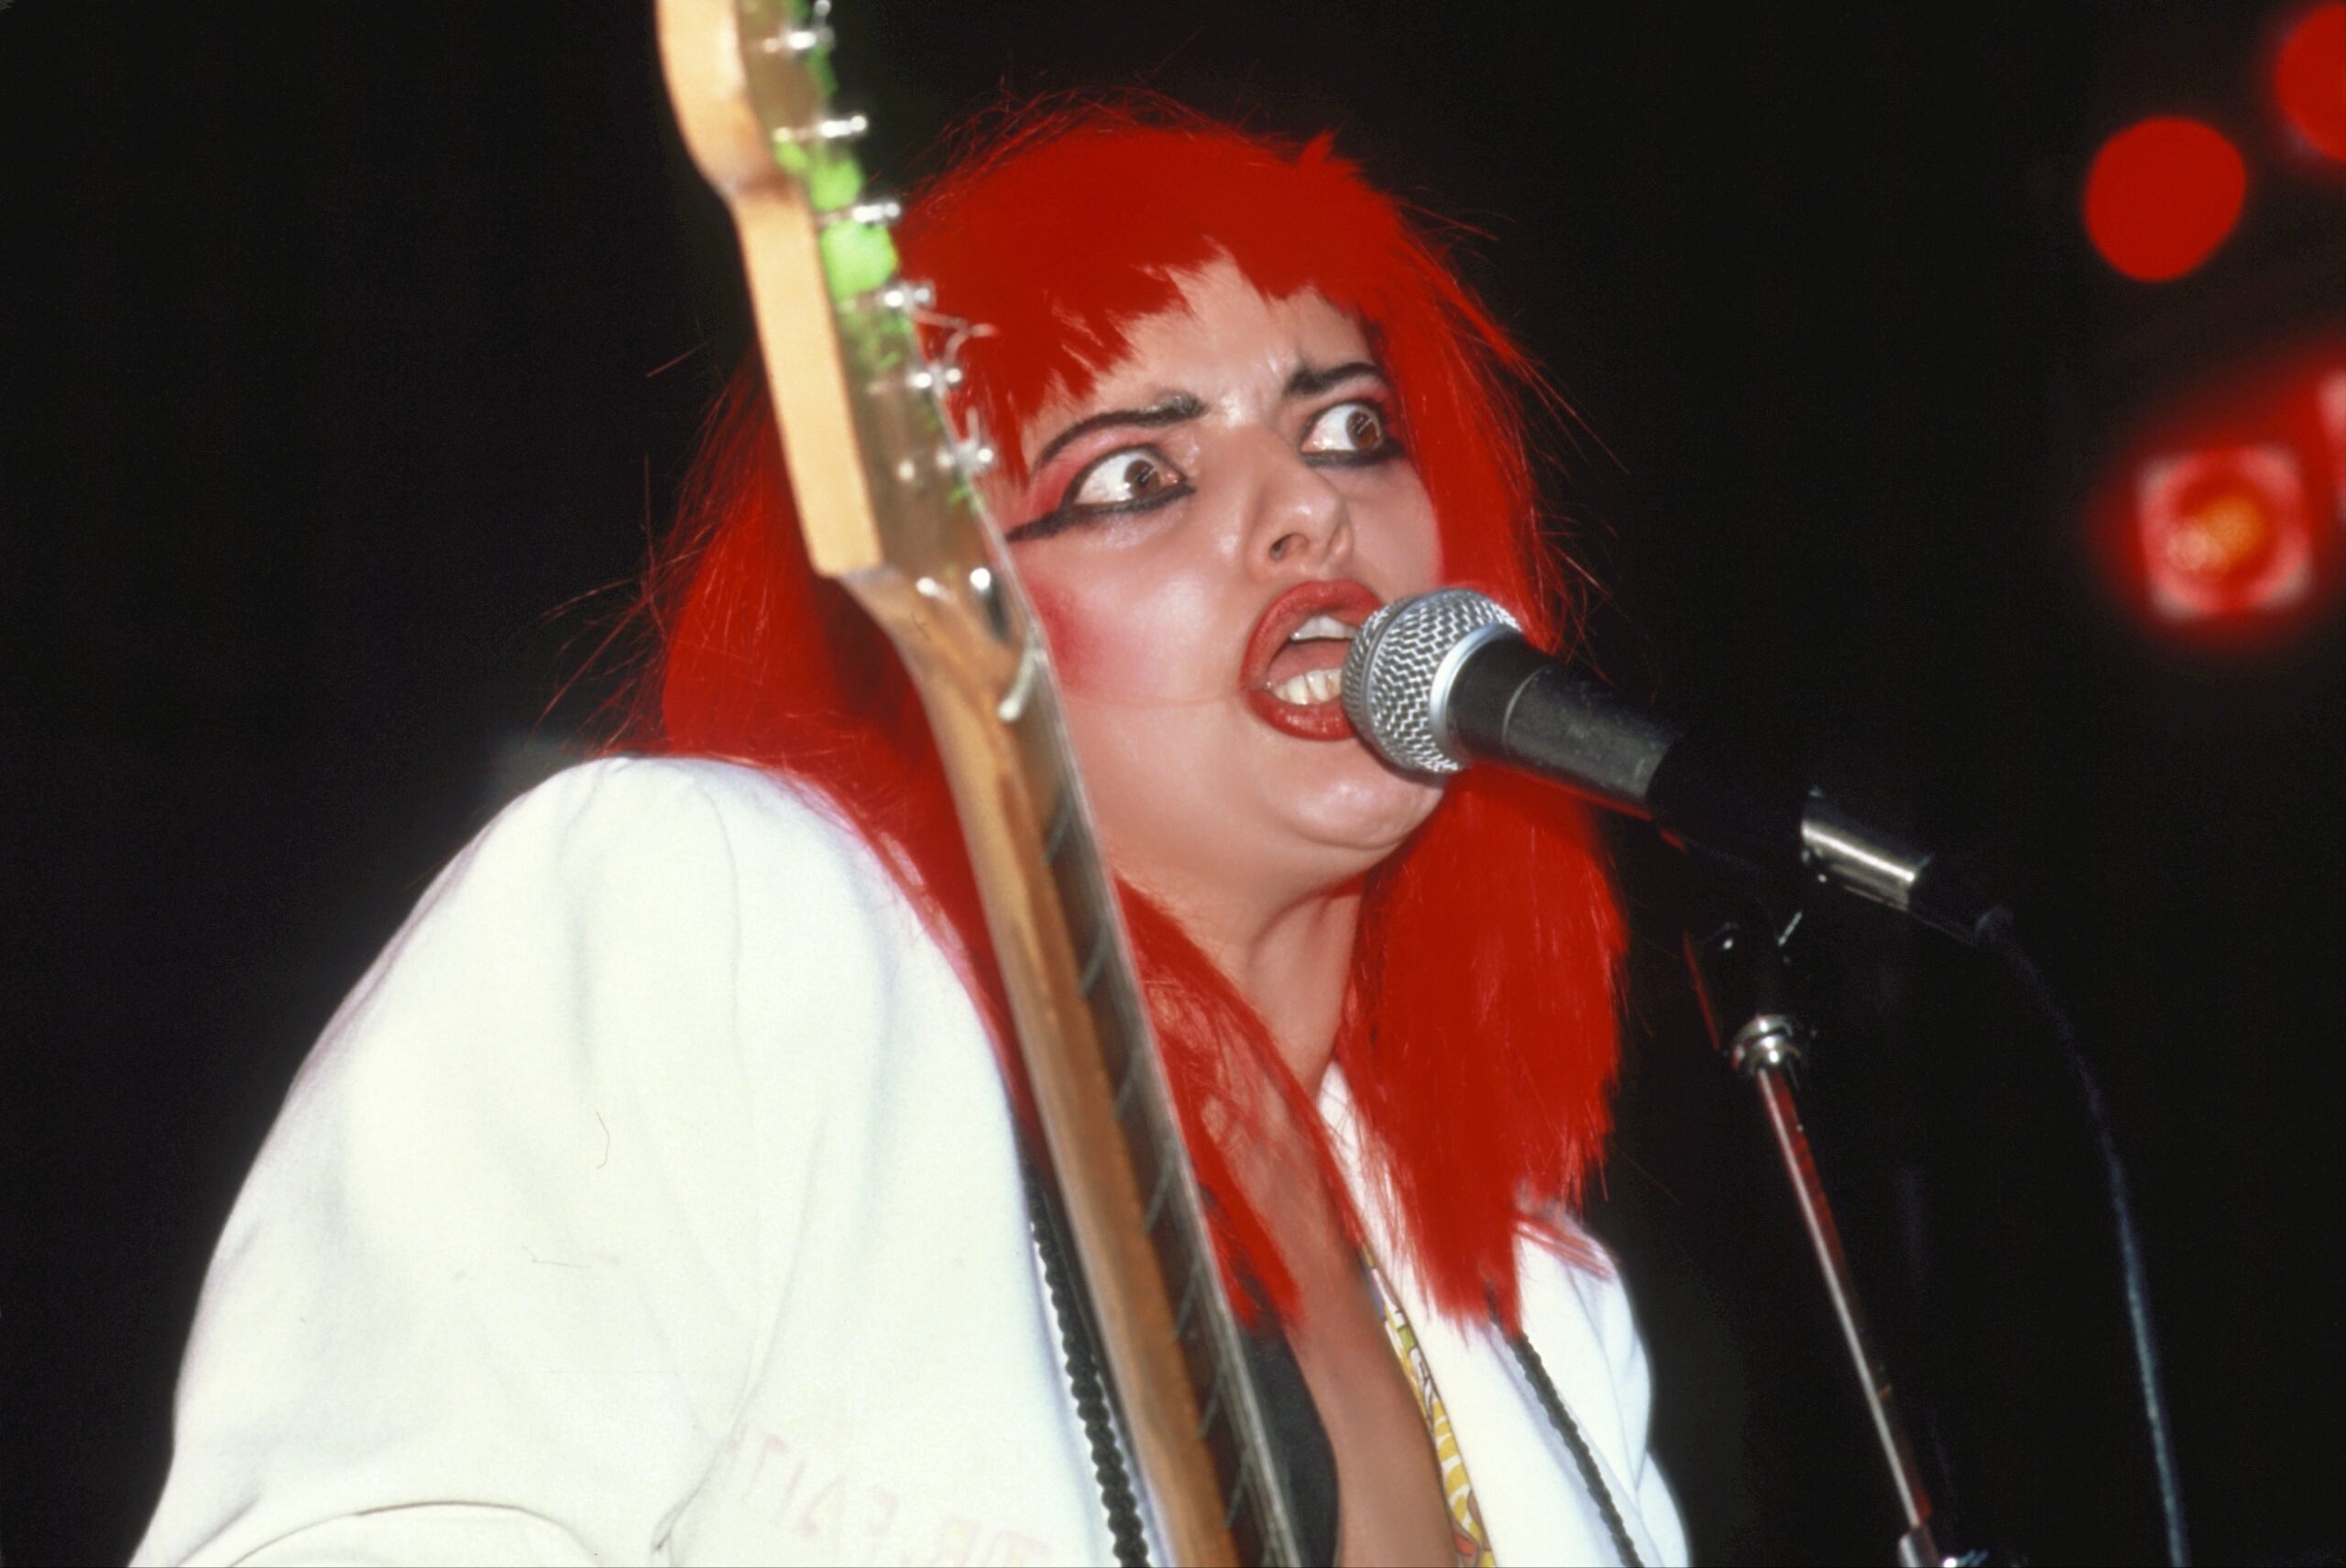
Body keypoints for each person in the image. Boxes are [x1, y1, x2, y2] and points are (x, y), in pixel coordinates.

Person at [135, 98, 1689, 1567]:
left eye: (1350, 430)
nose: (1306, 513)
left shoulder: (1545, 1309)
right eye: (1136, 476)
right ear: (936, 636)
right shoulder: (716, 925)